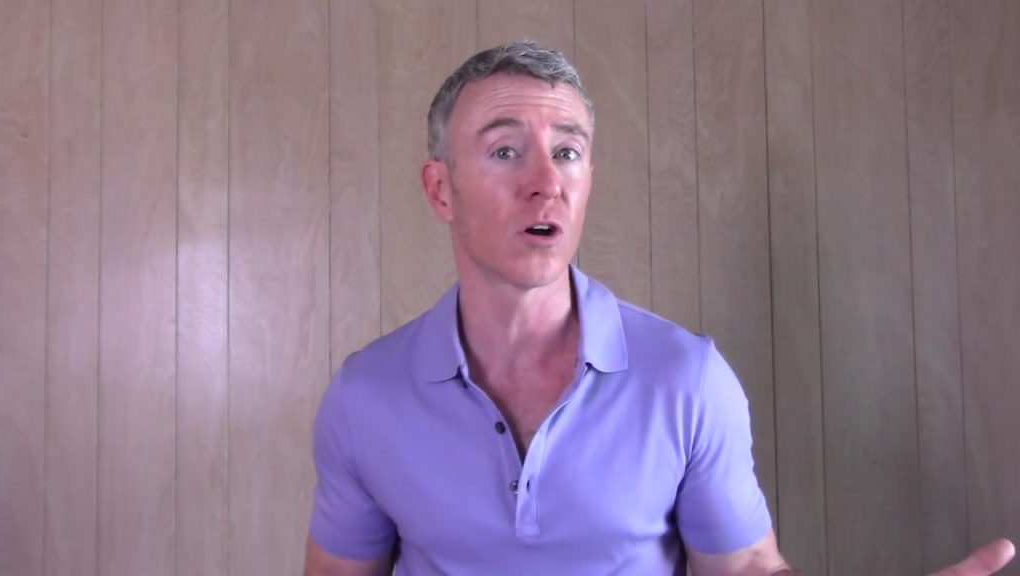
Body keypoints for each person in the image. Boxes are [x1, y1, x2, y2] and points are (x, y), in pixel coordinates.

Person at [303, 40, 1014, 576]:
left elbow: (745, 567)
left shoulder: (687, 378)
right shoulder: (365, 398)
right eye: (507, 151)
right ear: (441, 190)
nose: (546, 182)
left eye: (568, 152)